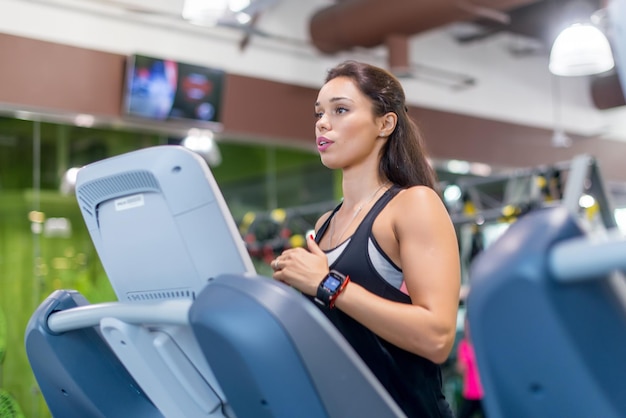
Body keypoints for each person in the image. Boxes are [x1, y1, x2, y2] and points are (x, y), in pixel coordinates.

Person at [271, 60, 461, 417]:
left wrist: (327, 284)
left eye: (340, 110)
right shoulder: (325, 224)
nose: (323, 123)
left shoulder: (413, 205)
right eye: (319, 113)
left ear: (385, 123)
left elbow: (437, 338)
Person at [456, 318, 485, 418]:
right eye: (465, 328)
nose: (467, 330)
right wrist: (461, 366)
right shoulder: (462, 346)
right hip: (469, 393)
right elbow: (460, 368)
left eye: (469, 327)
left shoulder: (480, 345)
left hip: (482, 392)